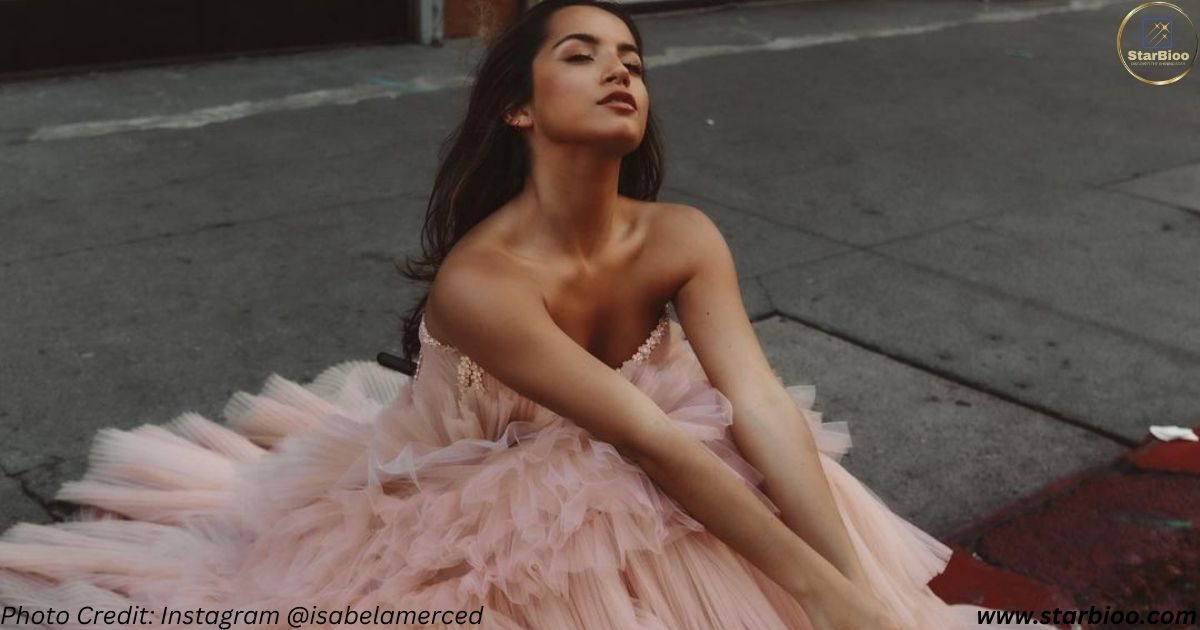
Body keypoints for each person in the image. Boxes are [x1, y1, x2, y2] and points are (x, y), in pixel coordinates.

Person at [0, 1, 1029, 628]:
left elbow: (756, 400)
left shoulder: (682, 234)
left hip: (641, 451)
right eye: (582, 54)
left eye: (631, 56)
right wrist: (818, 596)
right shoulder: (483, 283)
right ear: (519, 107)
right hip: (480, 491)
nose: (621, 68)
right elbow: (646, 440)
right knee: (649, 486)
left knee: (765, 459)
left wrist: (858, 592)